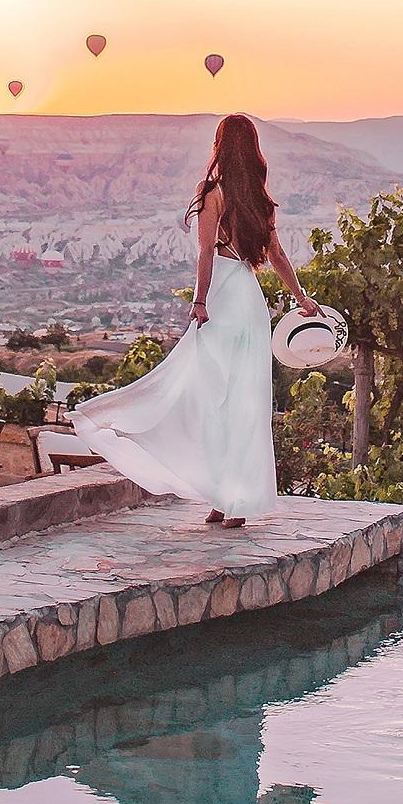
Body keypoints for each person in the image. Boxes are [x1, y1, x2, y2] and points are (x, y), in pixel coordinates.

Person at [71, 114, 319, 528]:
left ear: (220, 147)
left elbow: (205, 252)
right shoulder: (260, 198)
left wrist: (200, 301)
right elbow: (276, 255)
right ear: (253, 151)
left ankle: (219, 496)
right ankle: (230, 501)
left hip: (223, 296)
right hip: (250, 300)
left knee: (206, 397)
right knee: (244, 402)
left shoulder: (212, 193)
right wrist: (301, 297)